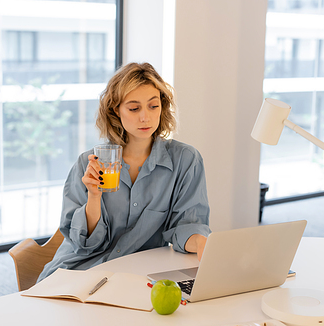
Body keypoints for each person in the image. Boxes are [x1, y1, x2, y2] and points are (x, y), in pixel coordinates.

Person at [38, 62, 211, 280]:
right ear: (115, 110)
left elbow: (187, 226)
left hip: (136, 275)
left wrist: (202, 242)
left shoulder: (185, 161)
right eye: (134, 108)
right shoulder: (88, 163)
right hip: (79, 270)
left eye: (153, 106)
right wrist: (93, 197)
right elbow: (82, 244)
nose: (145, 117)